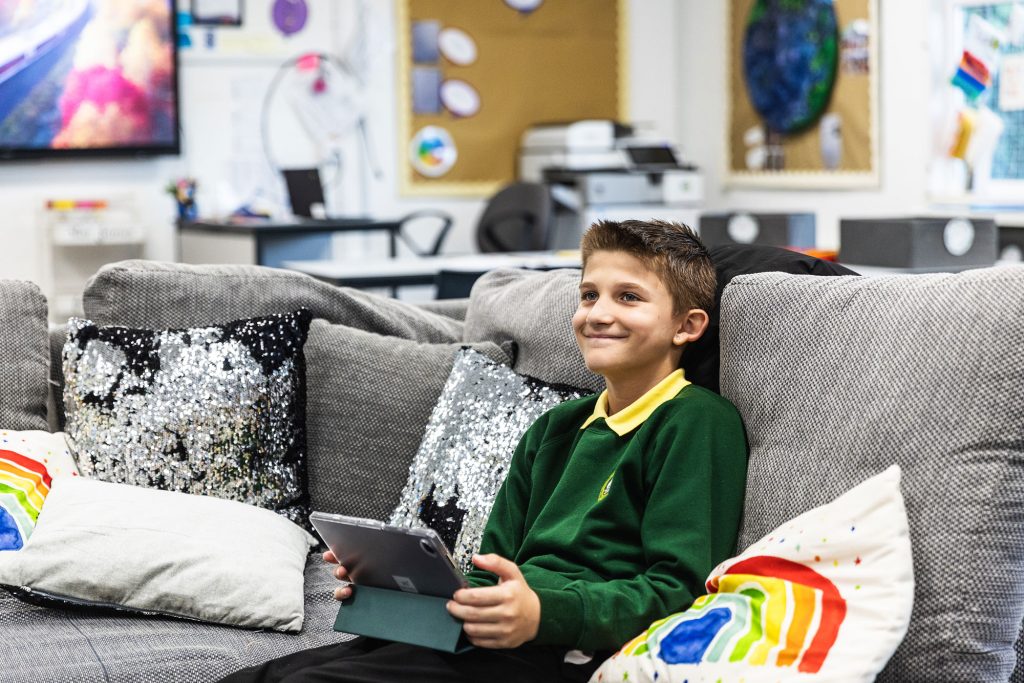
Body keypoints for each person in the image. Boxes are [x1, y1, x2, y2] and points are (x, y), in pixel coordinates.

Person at [220, 219, 748, 683]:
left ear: (688, 326)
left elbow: (680, 589)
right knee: (257, 676)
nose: (597, 313)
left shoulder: (696, 421)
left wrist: (543, 612)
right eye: (588, 295)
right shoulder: (554, 430)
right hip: (486, 635)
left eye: (628, 297)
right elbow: (492, 569)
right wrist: (401, 589)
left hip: (558, 651)